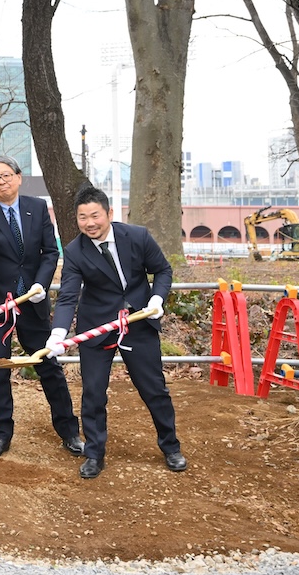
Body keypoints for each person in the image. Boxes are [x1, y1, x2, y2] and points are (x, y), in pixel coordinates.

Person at [48, 184, 187, 479]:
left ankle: (171, 446)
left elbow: (162, 271)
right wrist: (58, 333)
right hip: (97, 327)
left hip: (138, 320)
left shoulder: (137, 237)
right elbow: (69, 296)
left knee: (153, 389)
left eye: (95, 215)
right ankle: (94, 454)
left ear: (109, 213)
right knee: (93, 393)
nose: (89, 223)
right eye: (82, 217)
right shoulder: (74, 251)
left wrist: (156, 299)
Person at [0, 156, 82, 458]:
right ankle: (1, 433)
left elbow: (49, 251)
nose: (1, 181)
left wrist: (40, 285)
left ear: (19, 177)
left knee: (47, 365)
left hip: (32, 301)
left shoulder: (37, 207)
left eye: (6, 175)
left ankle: (69, 431)